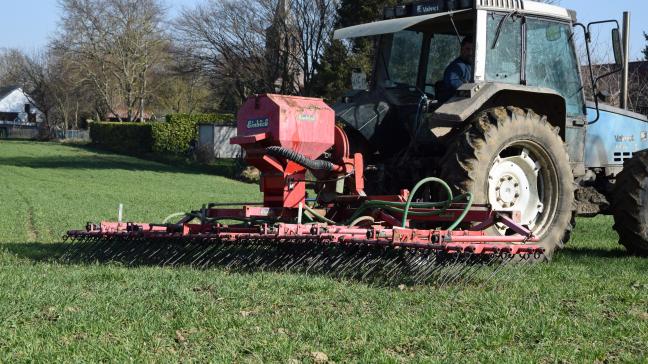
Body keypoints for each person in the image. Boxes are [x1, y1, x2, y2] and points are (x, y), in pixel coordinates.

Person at [438, 36, 474, 103]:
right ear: (461, 49)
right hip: (452, 103)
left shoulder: (475, 68)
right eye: (467, 49)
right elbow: (453, 84)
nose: (470, 53)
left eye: (473, 49)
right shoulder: (456, 67)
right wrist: (468, 88)